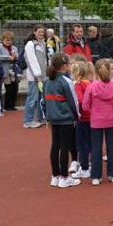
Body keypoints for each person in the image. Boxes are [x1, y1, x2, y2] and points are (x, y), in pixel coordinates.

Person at [83, 59, 113, 186]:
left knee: (96, 148)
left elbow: (85, 106)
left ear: (96, 72)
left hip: (96, 121)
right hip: (111, 120)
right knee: (112, 147)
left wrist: (94, 109)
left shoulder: (91, 87)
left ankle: (96, 176)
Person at [44, 53, 81, 188]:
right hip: (65, 118)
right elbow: (73, 100)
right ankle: (64, 177)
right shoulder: (66, 81)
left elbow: (43, 101)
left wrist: (47, 116)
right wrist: (76, 116)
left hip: (53, 118)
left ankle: (55, 176)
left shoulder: (47, 81)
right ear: (64, 66)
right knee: (64, 147)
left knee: (55, 146)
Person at [71, 60, 94, 179]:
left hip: (83, 117)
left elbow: (80, 99)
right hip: (92, 117)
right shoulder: (90, 83)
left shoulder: (78, 85)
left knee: (82, 144)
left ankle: (84, 167)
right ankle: (90, 164)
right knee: (91, 142)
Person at [23, 25, 48, 129]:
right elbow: (31, 60)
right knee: (32, 98)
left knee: (41, 98)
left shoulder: (42, 44)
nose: (41, 34)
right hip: (34, 77)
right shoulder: (30, 44)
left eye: (42, 32)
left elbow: (45, 60)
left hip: (43, 76)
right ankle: (28, 121)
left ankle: (40, 118)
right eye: (39, 32)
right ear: (34, 32)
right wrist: (37, 75)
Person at [0, 31, 20, 111]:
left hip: (13, 71)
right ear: (2, 40)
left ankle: (12, 105)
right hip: (4, 70)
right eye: (6, 40)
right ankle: (5, 106)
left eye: (9, 40)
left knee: (14, 88)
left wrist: (15, 57)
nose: (8, 42)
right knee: (7, 88)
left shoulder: (14, 48)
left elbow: (17, 57)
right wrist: (8, 57)